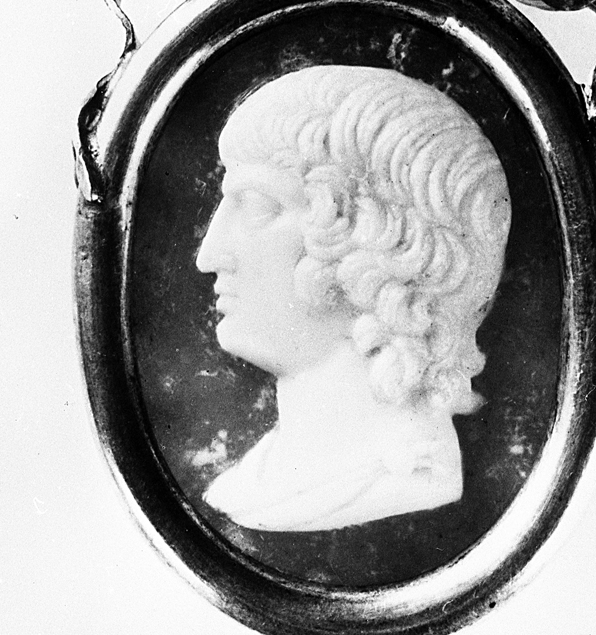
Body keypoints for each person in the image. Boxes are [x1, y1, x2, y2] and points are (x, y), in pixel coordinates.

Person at [196, 64, 511, 532]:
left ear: (381, 242)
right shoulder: (248, 483)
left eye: (260, 206)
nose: (208, 256)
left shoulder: (408, 481)